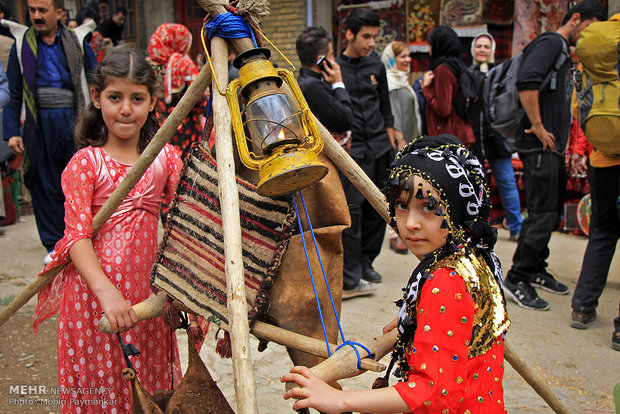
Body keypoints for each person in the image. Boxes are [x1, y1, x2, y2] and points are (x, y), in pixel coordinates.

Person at [281, 134, 510, 413]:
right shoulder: (476, 258)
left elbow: (432, 393)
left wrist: (338, 399)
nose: (411, 223)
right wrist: (413, 324)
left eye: (430, 207)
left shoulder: (446, 280)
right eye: (402, 206)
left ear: (458, 209)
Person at [33, 50, 183, 412]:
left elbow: (181, 227)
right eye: (115, 98)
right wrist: (108, 294)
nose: (126, 109)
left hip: (147, 299)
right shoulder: (86, 163)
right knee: (100, 388)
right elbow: (76, 238)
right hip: (92, 300)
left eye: (137, 98)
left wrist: (180, 288)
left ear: (152, 102)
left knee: (148, 389)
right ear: (97, 97)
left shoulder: (165, 158)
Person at [503, 0, 607, 311]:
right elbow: (527, 82)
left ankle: (535, 268)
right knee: (542, 214)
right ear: (576, 19)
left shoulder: (562, 50)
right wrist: (537, 126)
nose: (590, 37)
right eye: (590, 28)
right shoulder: (551, 43)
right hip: (538, 144)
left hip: (552, 146)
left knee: (552, 212)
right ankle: (516, 277)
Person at [3, 0, 97, 264]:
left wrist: (100, 122)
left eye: (42, 10)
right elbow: (13, 91)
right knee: (44, 183)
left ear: (58, 13)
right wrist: (12, 132)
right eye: (32, 10)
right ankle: (54, 245)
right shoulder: (22, 46)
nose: (36, 16)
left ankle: (81, 240)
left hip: (73, 120)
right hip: (38, 123)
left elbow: (96, 79)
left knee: (78, 182)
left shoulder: (77, 42)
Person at [569, 12, 620, 352]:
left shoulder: (595, 45)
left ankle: (583, 306)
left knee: (602, 231)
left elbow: (579, 108)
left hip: (603, 157)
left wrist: (587, 147)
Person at [336, 8, 395, 297]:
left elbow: (385, 105)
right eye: (366, 37)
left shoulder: (376, 67)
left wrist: (393, 135)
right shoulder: (335, 69)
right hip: (352, 151)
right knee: (354, 212)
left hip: (380, 147)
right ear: (349, 34)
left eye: (374, 37)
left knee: (382, 208)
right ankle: (354, 266)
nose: (371, 43)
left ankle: (368, 260)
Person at [469, 33, 523, 242]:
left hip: (498, 139)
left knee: (507, 182)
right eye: (479, 46)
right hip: (475, 139)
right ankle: (477, 229)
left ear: (491, 50)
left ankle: (516, 227)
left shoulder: (501, 73)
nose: (482, 49)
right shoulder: (467, 73)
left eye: (486, 46)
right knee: (475, 185)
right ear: (473, 49)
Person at [380, 40, 422, 255]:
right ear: (391, 58)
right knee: (398, 188)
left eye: (408, 56)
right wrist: (399, 139)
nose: (407, 60)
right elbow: (392, 114)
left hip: (409, 141)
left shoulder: (403, 81)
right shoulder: (389, 82)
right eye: (402, 56)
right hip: (400, 142)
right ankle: (395, 235)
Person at [148, 23, 207, 159]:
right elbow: (198, 96)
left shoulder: (147, 66)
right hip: (183, 128)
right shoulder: (183, 64)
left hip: (154, 127)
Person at [295, 26, 353, 142]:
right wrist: (338, 84)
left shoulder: (302, 82)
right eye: (331, 55)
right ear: (321, 60)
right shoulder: (312, 86)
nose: (334, 60)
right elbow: (346, 119)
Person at [423, 26, 475, 147]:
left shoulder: (443, 70)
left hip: (449, 135)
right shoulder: (457, 65)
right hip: (459, 132)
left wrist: (427, 89)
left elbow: (443, 109)